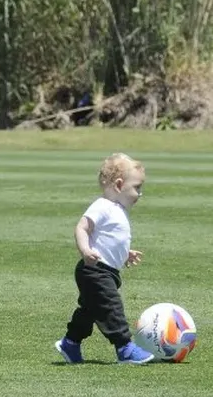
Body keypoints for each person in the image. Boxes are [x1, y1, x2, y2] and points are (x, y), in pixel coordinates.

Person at [54, 153, 156, 365]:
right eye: (137, 187)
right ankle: (124, 348)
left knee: (90, 310)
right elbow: (82, 227)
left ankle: (70, 343)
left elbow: (110, 238)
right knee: (111, 306)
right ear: (119, 185)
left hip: (106, 270)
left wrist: (124, 253)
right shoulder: (102, 206)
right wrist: (85, 250)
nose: (140, 194)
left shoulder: (118, 210)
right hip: (94, 270)